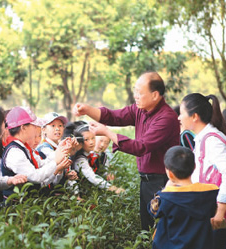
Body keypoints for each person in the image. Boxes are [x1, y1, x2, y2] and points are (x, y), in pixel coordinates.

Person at [73, 71, 180, 230]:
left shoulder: (166, 118)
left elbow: (141, 147)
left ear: (155, 95)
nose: (135, 95)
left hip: (162, 181)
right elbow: (114, 116)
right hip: (146, 181)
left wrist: (108, 133)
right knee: (147, 228)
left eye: (140, 92)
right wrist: (87, 109)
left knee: (161, 230)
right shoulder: (140, 109)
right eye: (135, 91)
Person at [178, 93, 226, 249]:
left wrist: (220, 212)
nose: (178, 117)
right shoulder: (203, 137)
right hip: (208, 210)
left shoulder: (212, 140)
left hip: (216, 214)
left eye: (181, 113)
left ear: (195, 117)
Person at [148, 146, 219, 249]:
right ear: (194, 167)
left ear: (170, 173)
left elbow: (153, 211)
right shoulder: (210, 192)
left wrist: (166, 188)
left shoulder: (165, 197)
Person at [0, 106, 71, 201]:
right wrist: (55, 161)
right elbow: (35, 176)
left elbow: (41, 164)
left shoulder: (24, 148)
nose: (36, 128)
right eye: (33, 125)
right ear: (23, 128)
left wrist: (60, 150)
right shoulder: (14, 152)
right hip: (18, 207)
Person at [71, 124, 124, 194]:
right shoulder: (80, 158)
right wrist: (111, 188)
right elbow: (92, 177)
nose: (91, 142)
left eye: (106, 143)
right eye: (86, 139)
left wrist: (108, 174)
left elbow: (105, 169)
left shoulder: (101, 155)